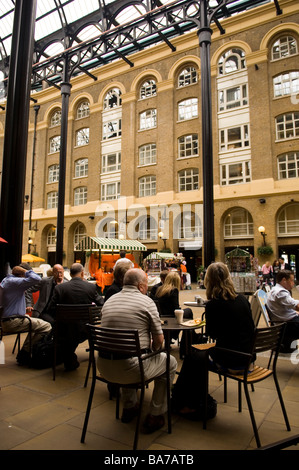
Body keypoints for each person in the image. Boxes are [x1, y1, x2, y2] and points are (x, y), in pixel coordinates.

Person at [171, 262, 255, 418]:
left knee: (193, 356)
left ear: (208, 281)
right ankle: (185, 397)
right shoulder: (243, 299)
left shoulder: (214, 305)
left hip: (231, 360)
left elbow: (211, 334)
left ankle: (185, 401)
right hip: (248, 357)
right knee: (196, 354)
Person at [98, 268, 177, 433]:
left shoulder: (110, 300)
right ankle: (156, 414)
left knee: (130, 354)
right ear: (141, 286)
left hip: (104, 367)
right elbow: (159, 341)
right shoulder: (147, 302)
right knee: (169, 362)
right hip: (131, 369)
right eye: (147, 285)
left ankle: (130, 406)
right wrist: (152, 350)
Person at [47, 263, 104, 370]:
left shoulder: (60, 288)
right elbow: (101, 304)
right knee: (75, 332)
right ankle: (70, 358)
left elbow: (51, 309)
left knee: (68, 334)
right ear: (82, 273)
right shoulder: (90, 287)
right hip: (84, 329)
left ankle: (69, 358)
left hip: (63, 329)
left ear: (70, 274)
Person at [0, 266, 52, 365]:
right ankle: (25, 352)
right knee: (46, 326)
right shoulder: (14, 282)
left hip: (9, 319)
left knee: (35, 325)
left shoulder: (8, 280)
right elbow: (36, 278)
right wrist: (26, 271)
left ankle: (25, 352)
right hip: (13, 321)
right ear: (22, 274)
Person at [266, 270, 299, 352]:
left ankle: (289, 345)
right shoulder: (280, 293)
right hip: (289, 325)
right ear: (284, 280)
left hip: (288, 321)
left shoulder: (275, 289)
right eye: (291, 280)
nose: (293, 283)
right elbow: (296, 306)